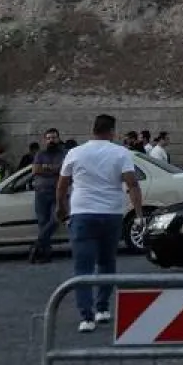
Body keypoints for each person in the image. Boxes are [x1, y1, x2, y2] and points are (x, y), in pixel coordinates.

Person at [56, 114, 144, 333]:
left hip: (82, 213)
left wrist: (62, 208)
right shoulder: (121, 153)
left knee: (82, 267)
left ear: (92, 129)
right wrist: (139, 214)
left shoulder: (75, 153)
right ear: (112, 131)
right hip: (111, 214)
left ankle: (86, 318)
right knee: (106, 262)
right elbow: (132, 185)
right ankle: (102, 308)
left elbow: (62, 185)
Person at [30, 128, 66, 264]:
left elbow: (64, 169)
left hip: (58, 192)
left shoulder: (64, 153)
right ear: (45, 140)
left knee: (56, 219)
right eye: (49, 138)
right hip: (41, 193)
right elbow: (35, 170)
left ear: (58, 139)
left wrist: (45, 168)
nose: (51, 140)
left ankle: (37, 244)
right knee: (42, 223)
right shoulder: (40, 154)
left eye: (54, 138)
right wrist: (53, 168)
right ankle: (45, 254)